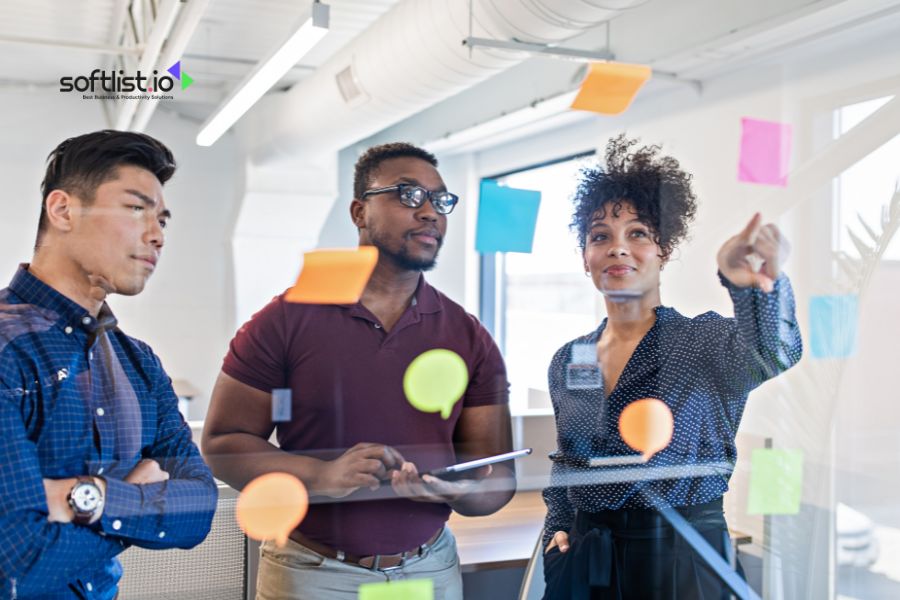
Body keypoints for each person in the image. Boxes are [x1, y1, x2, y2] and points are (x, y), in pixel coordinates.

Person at [202, 142, 514, 600]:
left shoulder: (467, 335)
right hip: (315, 573)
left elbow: (497, 479)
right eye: (409, 195)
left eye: (441, 200)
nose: (430, 212)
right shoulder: (286, 319)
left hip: (427, 568)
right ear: (359, 212)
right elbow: (222, 445)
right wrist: (322, 475)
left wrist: (452, 492)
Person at [541, 135, 803, 599]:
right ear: (586, 258)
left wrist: (743, 286)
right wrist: (558, 527)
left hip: (683, 559)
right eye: (601, 236)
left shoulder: (703, 340)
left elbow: (777, 352)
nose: (618, 248)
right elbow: (568, 459)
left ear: (664, 250)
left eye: (638, 233)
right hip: (589, 559)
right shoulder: (572, 358)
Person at [0, 130, 218, 599]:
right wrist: (137, 502)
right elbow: (17, 561)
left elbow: (199, 508)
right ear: (62, 210)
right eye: (135, 208)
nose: (156, 234)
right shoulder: (6, 350)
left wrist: (87, 497)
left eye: (162, 218)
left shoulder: (138, 363)